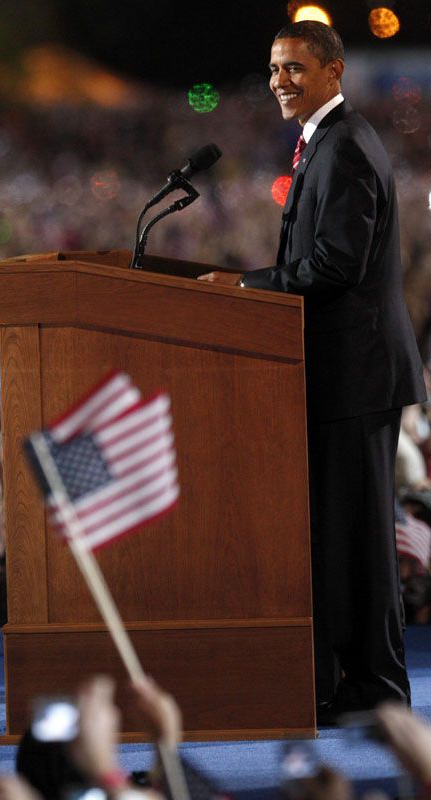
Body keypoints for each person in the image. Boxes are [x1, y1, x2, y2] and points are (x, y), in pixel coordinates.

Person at [199, 20, 427, 722]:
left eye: (295, 68)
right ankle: (352, 683)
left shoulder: (346, 147)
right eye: (273, 69)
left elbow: (337, 264)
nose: (280, 81)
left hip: (355, 376)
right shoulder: (328, 142)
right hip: (343, 375)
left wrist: (247, 287)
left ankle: (374, 689)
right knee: (343, 533)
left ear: (334, 71)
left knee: (357, 537)